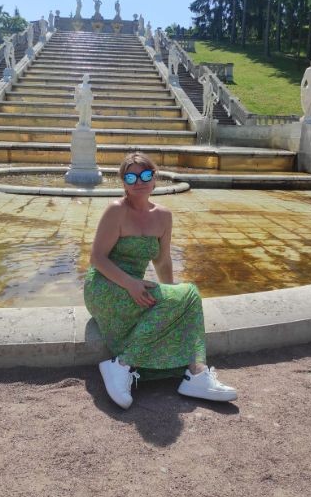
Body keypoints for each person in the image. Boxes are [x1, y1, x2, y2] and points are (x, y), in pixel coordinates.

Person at [84, 151, 238, 409]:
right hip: (104, 285)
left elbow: (162, 261)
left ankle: (196, 373)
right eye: (131, 177)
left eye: (145, 175)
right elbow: (97, 258)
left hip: (135, 287)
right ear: (123, 183)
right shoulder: (116, 211)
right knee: (190, 293)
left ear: (154, 178)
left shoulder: (163, 216)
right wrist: (131, 284)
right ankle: (124, 365)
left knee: (185, 297)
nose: (138, 181)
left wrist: (171, 300)